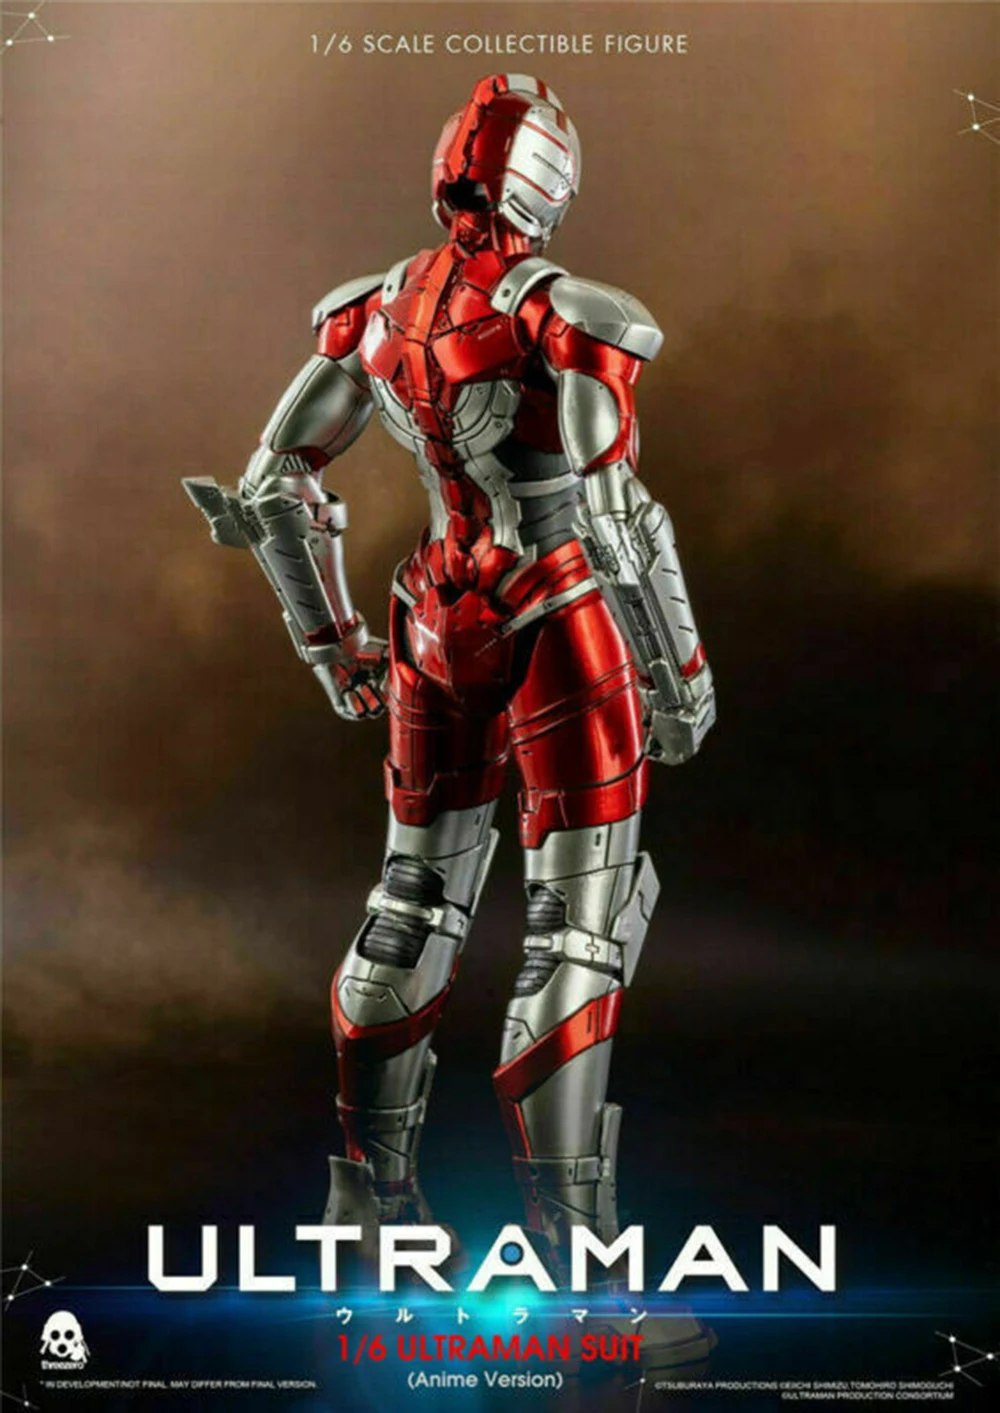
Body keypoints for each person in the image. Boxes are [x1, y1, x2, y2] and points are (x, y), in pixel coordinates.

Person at [184, 73, 715, 1281]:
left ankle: (367, 1216)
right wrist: (679, 675)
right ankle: (578, 1267)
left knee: (409, 904)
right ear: (549, 186)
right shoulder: (565, 317)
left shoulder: (374, 309)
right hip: (556, 616)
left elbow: (272, 486)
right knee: (576, 931)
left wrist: (331, 646)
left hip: (431, 615)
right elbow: (617, 518)